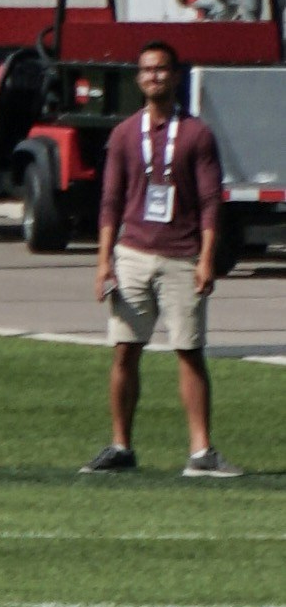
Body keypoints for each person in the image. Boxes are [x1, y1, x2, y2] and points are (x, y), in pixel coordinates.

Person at [87, 40, 236, 479]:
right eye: (147, 70)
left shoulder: (196, 134)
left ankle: (201, 452)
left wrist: (207, 259)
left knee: (189, 351)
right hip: (132, 254)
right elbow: (110, 202)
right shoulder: (124, 134)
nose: (154, 76)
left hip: (181, 256)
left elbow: (211, 201)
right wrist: (103, 262)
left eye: (162, 69)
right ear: (138, 79)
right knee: (124, 352)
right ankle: (120, 446)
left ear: (175, 76)